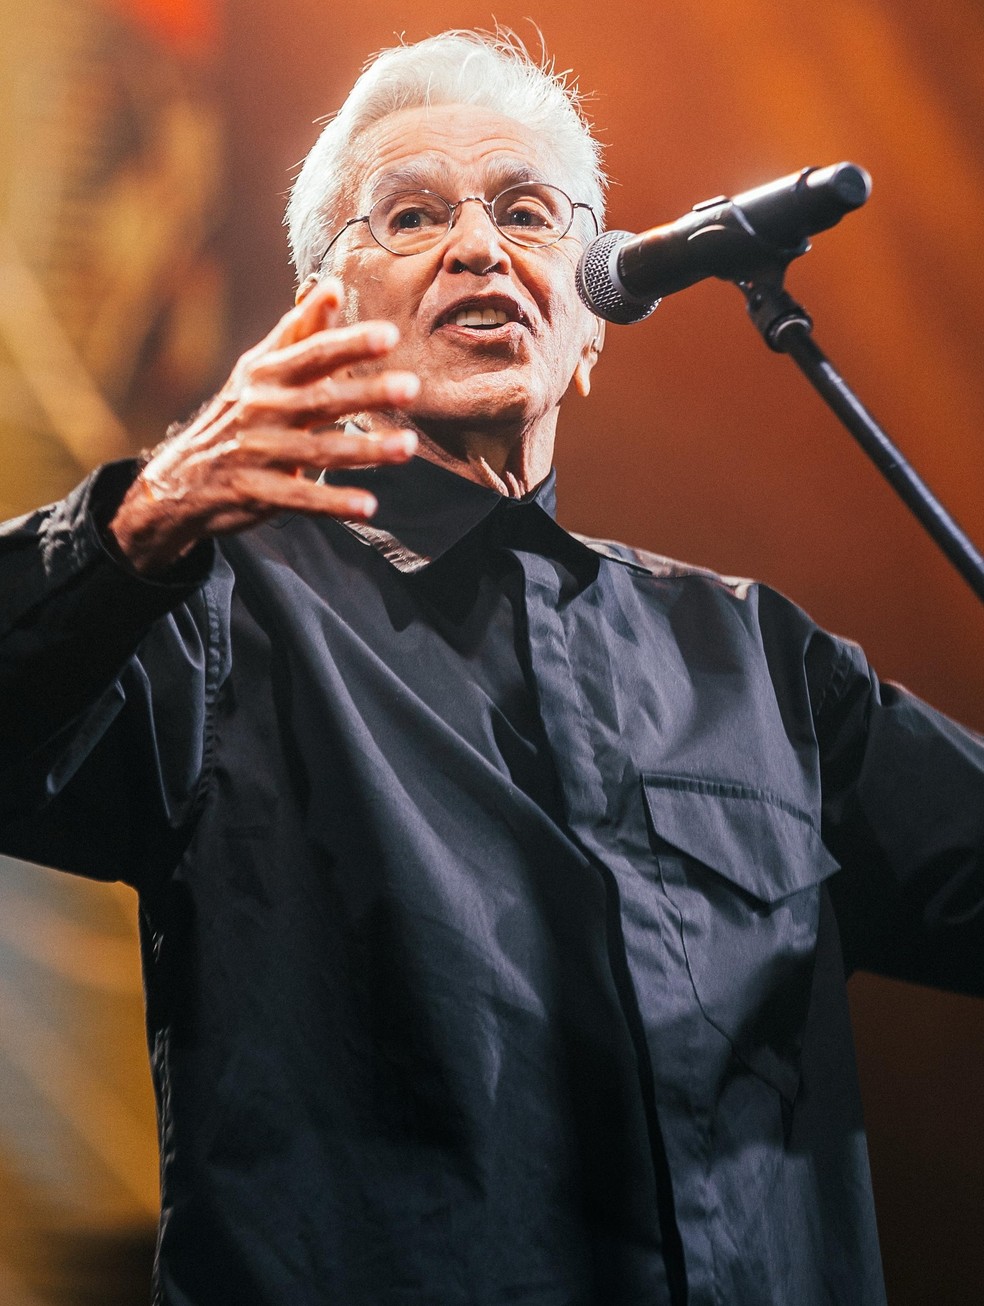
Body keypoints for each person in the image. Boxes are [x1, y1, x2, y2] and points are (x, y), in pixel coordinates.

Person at [1, 28, 982, 1306]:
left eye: (528, 212)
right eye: (411, 216)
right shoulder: (217, 616)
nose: (480, 246)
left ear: (590, 329)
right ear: (319, 323)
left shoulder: (760, 662)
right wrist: (142, 520)